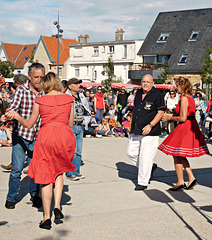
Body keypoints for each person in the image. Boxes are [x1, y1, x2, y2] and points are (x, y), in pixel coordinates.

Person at [6, 72, 76, 230]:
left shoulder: (40, 100)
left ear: (45, 84)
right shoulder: (69, 99)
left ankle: (46, 218)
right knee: (59, 172)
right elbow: (71, 123)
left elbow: (29, 124)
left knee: (46, 177)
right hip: (65, 136)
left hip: (46, 137)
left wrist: (17, 116)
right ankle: (57, 206)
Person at [4, 63, 45, 210]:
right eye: (36, 77)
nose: (39, 80)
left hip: (38, 136)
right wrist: (8, 115)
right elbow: (13, 108)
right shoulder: (21, 90)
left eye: (41, 77)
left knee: (35, 169)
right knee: (16, 169)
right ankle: (11, 197)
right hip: (21, 135)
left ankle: (35, 195)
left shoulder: (45, 91)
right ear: (29, 76)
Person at [158, 77, 210, 191]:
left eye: (177, 86)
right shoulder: (190, 98)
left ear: (183, 86)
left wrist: (169, 117)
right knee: (178, 154)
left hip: (185, 126)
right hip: (190, 126)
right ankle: (186, 179)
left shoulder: (184, 98)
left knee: (177, 153)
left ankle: (184, 180)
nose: (175, 88)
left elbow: (182, 118)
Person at [127, 74, 165, 191]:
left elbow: (160, 112)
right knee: (131, 152)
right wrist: (131, 124)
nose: (145, 84)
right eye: (143, 81)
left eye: (148, 82)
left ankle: (142, 182)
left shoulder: (157, 95)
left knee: (145, 157)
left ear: (153, 83)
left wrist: (151, 125)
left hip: (151, 131)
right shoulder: (138, 93)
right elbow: (135, 110)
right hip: (136, 129)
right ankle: (149, 168)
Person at [65, 78, 91, 181]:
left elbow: (87, 110)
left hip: (81, 125)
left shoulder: (81, 96)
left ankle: (76, 171)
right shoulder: (66, 96)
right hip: (71, 126)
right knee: (72, 150)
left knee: (79, 151)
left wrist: (85, 122)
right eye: (76, 84)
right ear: (70, 86)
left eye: (79, 83)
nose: (78, 85)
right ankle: (69, 172)